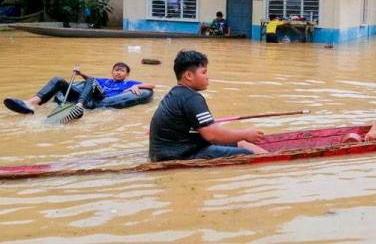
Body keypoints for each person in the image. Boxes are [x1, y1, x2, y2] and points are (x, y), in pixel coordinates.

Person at [148, 50, 267, 162]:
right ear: (189, 75)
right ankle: (272, 162)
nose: (207, 77)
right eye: (203, 72)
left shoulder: (176, 93)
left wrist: (241, 137)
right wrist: (245, 134)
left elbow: (209, 130)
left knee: (240, 142)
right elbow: (211, 134)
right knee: (247, 153)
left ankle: (270, 156)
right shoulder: (191, 98)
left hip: (164, 152)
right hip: (180, 155)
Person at [3, 62, 155, 119]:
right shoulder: (105, 80)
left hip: (100, 99)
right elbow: (89, 79)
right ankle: (31, 103)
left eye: (122, 71)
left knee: (91, 81)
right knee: (58, 80)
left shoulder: (129, 83)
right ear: (112, 72)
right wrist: (80, 73)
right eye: (116, 70)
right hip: (88, 96)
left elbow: (153, 85)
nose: (118, 72)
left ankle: (79, 107)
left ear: (127, 74)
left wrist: (137, 86)